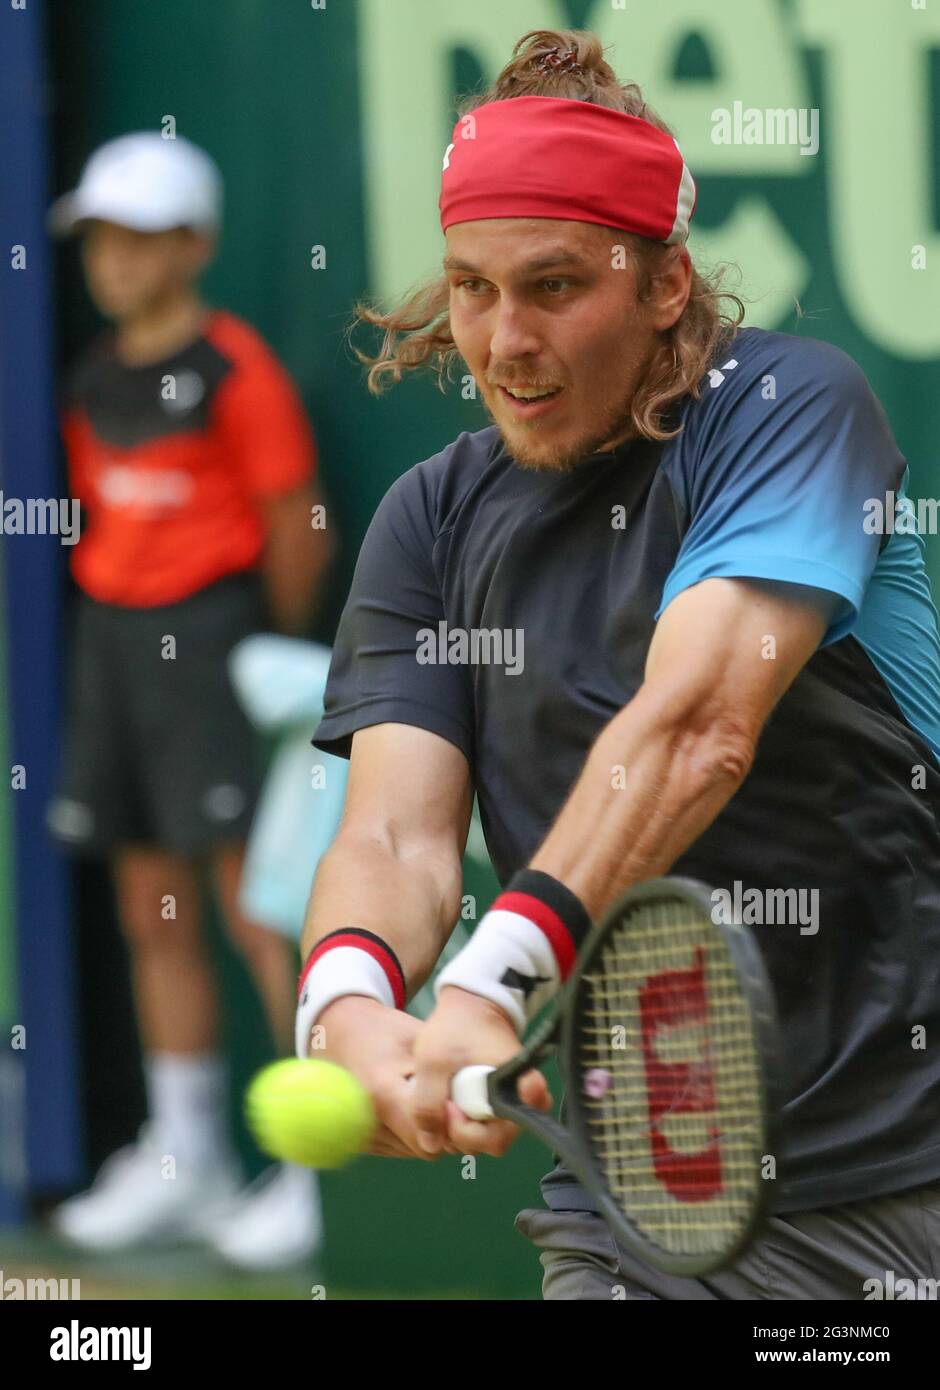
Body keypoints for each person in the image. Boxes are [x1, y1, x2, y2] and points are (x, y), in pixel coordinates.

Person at [297, 28, 940, 1298]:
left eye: (552, 287)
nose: (502, 340)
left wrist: (493, 976)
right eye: (471, 288)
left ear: (662, 285)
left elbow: (699, 721)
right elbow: (395, 839)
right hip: (641, 1188)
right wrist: (349, 1001)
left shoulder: (789, 411)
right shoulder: (427, 519)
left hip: (909, 1174)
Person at [46, 131, 335, 1269]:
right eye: (100, 239)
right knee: (148, 905)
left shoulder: (236, 372)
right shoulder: (88, 378)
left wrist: (259, 643)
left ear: (194, 246)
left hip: (216, 643)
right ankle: (187, 1156)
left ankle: (318, 1169)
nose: (114, 260)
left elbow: (299, 524)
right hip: (111, 648)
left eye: (140, 237)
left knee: (256, 907)